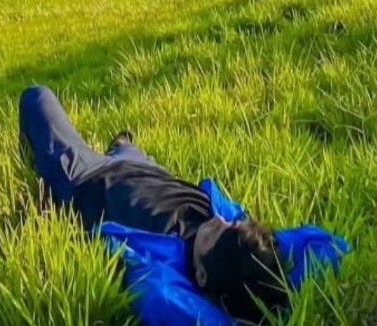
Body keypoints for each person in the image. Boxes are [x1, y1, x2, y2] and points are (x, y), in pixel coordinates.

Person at [19, 85, 349, 326]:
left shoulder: (167, 268)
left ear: (202, 274)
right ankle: (122, 146)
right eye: (234, 224)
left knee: (37, 97)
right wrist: (279, 285)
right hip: (149, 170)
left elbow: (157, 296)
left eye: (214, 236)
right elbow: (331, 245)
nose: (221, 221)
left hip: (86, 175)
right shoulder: (234, 234)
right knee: (129, 150)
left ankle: (103, 152)